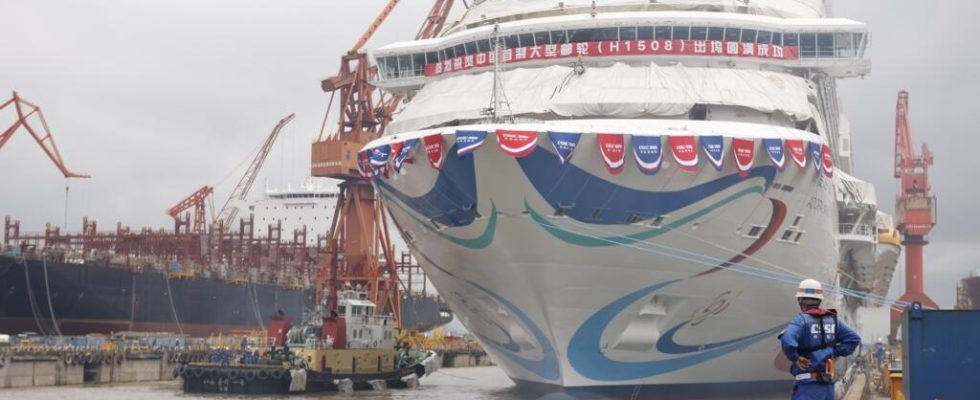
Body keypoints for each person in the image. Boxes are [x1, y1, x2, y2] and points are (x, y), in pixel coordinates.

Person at [780, 279, 861, 400]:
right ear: (819, 300)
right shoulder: (833, 320)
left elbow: (787, 339)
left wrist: (795, 358)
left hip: (807, 387)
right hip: (828, 386)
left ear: (800, 300)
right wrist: (834, 352)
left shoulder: (801, 320)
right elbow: (854, 339)